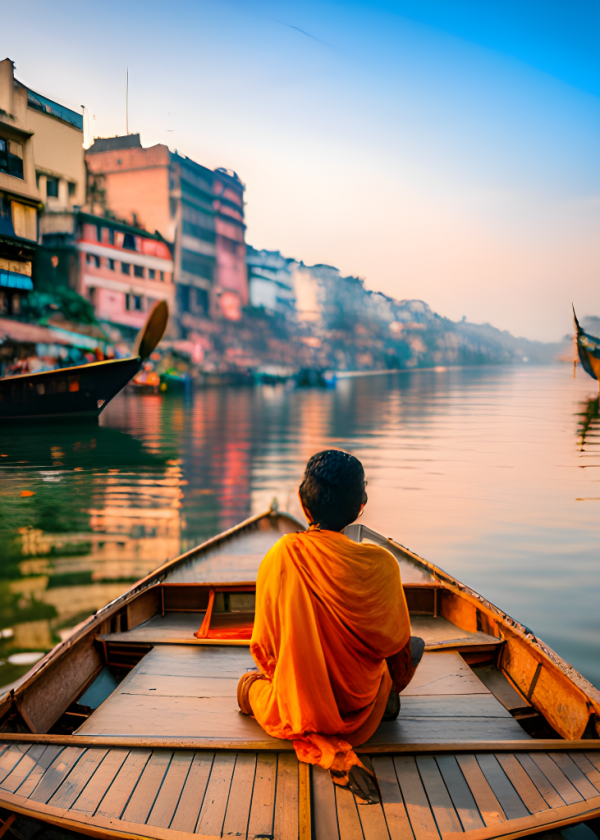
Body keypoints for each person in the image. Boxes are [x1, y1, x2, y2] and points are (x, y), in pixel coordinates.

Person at [237, 449, 424, 803]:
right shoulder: (382, 565)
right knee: (414, 645)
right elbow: (396, 649)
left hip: (299, 707)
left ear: (303, 504)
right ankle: (381, 707)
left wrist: (295, 683)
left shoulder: (281, 555)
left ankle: (321, 738)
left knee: (248, 686)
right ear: (361, 506)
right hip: (360, 709)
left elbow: (265, 650)